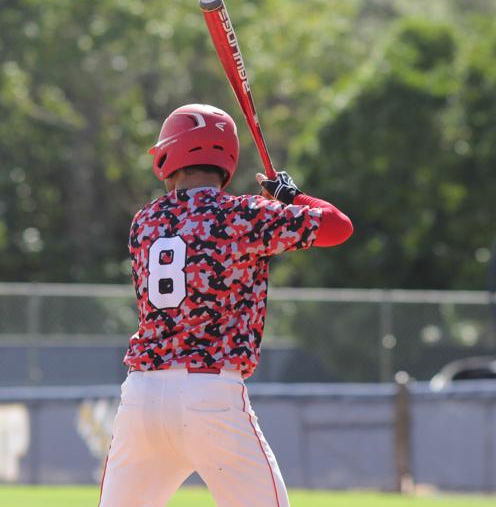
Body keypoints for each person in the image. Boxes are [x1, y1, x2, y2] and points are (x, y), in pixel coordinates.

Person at [98, 103, 353, 507]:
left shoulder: (144, 221)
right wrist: (291, 196)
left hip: (141, 396)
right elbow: (339, 227)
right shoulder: (246, 214)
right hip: (211, 394)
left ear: (169, 155)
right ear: (227, 159)